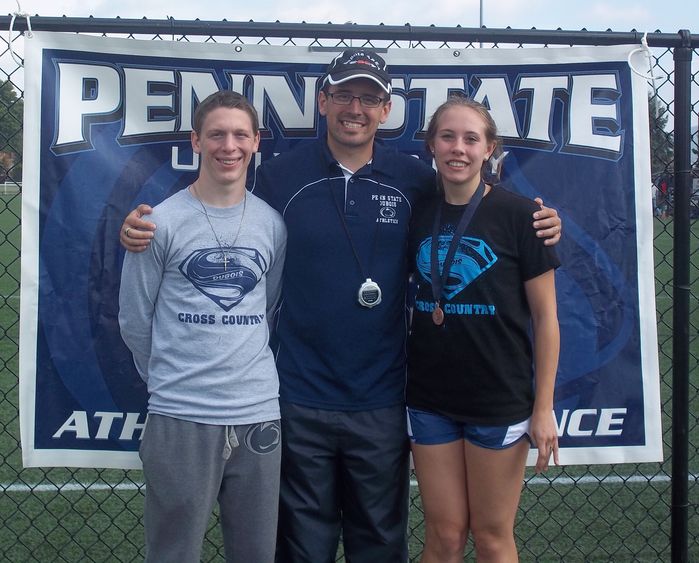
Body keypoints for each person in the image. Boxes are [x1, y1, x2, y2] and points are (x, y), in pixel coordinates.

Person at [119, 50, 562, 563]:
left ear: (387, 110)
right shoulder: (280, 176)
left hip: (382, 398)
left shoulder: (416, 180)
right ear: (323, 101)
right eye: (345, 95)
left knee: (378, 543)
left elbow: (474, 202)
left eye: (370, 98)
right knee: (303, 546)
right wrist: (142, 229)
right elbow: (219, 200)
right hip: (298, 397)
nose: (356, 107)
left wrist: (540, 221)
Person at [118, 91, 287, 563]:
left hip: (257, 412)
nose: (227, 146)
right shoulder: (160, 223)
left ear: (256, 143)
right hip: (180, 414)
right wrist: (173, 382)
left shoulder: (272, 225)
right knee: (173, 552)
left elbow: (268, 308)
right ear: (196, 140)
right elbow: (135, 318)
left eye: (239, 135)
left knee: (256, 553)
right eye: (216, 134)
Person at [406, 95, 560, 562]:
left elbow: (546, 319)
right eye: (447, 136)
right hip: (430, 399)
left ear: (489, 149)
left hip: (498, 399)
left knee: (492, 537)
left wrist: (544, 406)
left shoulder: (522, 216)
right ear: (431, 145)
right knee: (446, 535)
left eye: (471, 138)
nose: (459, 148)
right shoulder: (416, 210)